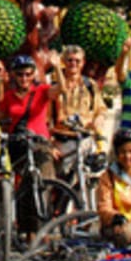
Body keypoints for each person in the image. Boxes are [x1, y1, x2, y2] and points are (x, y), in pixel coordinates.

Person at [0, 53, 61, 233]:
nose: (24, 78)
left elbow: (60, 91)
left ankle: (45, 230)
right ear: (14, 75)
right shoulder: (9, 96)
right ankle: (27, 232)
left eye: (28, 74)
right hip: (20, 144)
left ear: (33, 75)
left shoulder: (40, 91)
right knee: (24, 190)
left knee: (44, 184)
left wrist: (57, 68)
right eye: (20, 74)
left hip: (40, 143)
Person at [51, 45, 106, 176]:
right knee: (62, 186)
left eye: (77, 60)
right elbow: (45, 118)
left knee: (88, 184)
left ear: (83, 62)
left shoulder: (90, 85)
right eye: (70, 60)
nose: (73, 64)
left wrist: (99, 119)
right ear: (64, 61)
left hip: (85, 140)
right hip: (62, 143)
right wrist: (50, 144)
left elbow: (101, 109)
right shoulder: (53, 85)